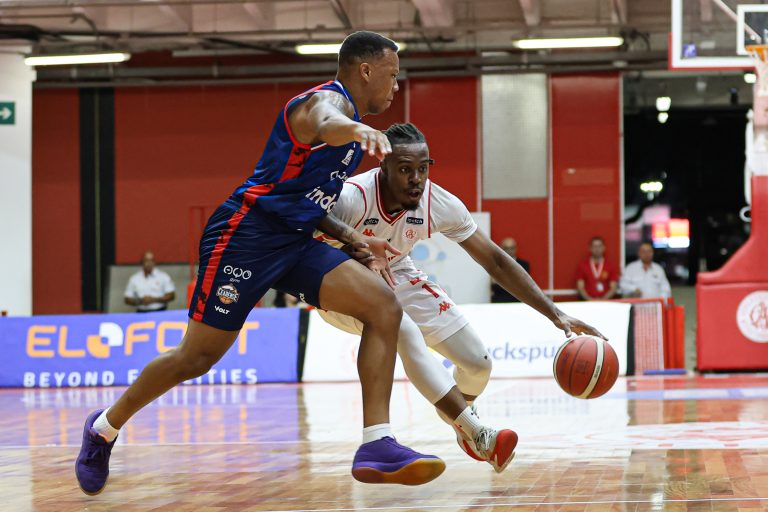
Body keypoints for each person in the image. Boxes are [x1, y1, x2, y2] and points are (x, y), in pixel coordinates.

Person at [76, 31, 445, 495]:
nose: (396, 86)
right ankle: (103, 429)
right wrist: (353, 129)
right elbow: (326, 120)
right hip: (245, 237)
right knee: (196, 358)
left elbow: (305, 200)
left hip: (295, 240)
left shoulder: (351, 136)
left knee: (384, 307)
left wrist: (353, 237)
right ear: (365, 70)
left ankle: (377, 443)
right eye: (392, 75)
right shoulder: (321, 105)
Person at [317, 123, 606, 473]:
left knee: (477, 364)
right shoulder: (352, 197)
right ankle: (478, 432)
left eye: (423, 168)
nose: (416, 179)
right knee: (401, 326)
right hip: (339, 280)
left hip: (397, 270)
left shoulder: (438, 203)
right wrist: (352, 252)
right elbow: (307, 233)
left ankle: (460, 423)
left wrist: (554, 313)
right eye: (405, 169)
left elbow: (495, 260)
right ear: (384, 167)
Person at [575, 236, 619, 301]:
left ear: (604, 248)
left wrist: (602, 300)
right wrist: (590, 300)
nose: (597, 249)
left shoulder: (610, 266)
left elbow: (613, 287)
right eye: (594, 246)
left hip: (605, 302)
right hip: (587, 302)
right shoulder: (582, 266)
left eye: (599, 246)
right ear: (590, 248)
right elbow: (580, 287)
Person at [490, 238, 530, 303]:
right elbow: (493, 283)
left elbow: (524, 284)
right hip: (499, 301)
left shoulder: (524, 264)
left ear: (516, 249)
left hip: (518, 301)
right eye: (506, 248)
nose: (509, 251)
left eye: (512, 248)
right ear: (501, 249)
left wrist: (502, 279)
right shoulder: (495, 263)